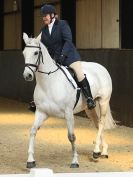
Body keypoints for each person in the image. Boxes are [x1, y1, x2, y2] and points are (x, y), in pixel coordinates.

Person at [29, 4, 95, 112]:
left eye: (46, 15)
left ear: (52, 15)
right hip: (55, 59)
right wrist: (30, 43)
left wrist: (62, 56)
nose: (44, 18)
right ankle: (37, 101)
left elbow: (68, 41)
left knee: (79, 73)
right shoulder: (44, 30)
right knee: (42, 73)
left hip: (69, 56)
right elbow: (37, 41)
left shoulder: (62, 24)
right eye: (43, 16)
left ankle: (89, 98)